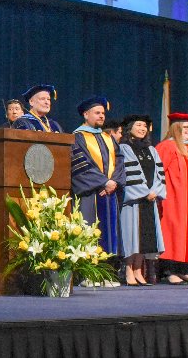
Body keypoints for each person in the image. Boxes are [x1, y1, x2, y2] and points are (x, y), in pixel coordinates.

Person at [69, 96, 122, 286]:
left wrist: (113, 182)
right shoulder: (78, 137)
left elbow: (119, 161)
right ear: (86, 114)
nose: (101, 116)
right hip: (89, 193)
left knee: (108, 232)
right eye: (97, 113)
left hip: (108, 193)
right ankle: (87, 275)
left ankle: (105, 274)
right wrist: (103, 182)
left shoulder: (108, 138)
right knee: (89, 230)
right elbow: (80, 165)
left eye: (103, 113)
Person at [156, 113, 188, 285]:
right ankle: (169, 271)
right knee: (173, 234)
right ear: (176, 128)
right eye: (186, 128)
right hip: (173, 200)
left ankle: (184, 270)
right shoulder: (167, 147)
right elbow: (158, 174)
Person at [116, 115, 164, 287]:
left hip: (150, 200)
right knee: (132, 236)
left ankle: (138, 269)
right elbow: (128, 172)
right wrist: (144, 192)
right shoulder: (125, 147)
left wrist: (156, 191)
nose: (143, 128)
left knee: (145, 237)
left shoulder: (151, 149)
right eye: (139, 125)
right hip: (133, 200)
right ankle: (128, 269)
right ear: (130, 128)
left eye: (145, 125)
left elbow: (160, 172)